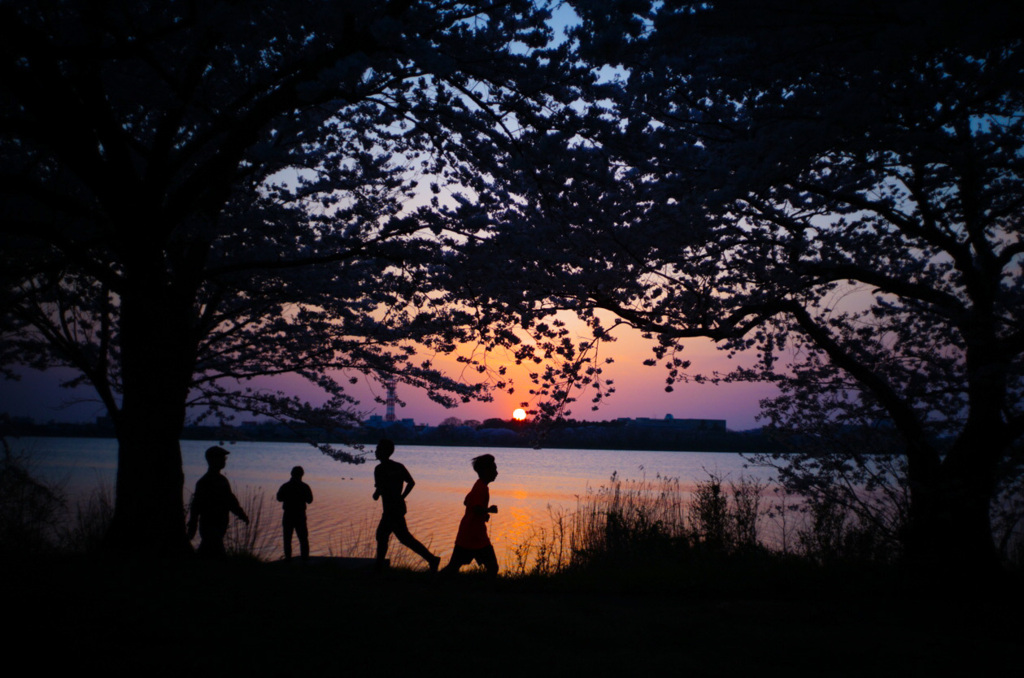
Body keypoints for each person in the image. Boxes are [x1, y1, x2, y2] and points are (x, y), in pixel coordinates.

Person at [372, 439, 440, 572]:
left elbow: (379, 490)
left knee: (384, 535)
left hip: (391, 509)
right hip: (398, 507)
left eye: (378, 449)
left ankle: (379, 566)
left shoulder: (379, 469)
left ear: (385, 452)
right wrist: (402, 497)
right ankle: (432, 559)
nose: (376, 452)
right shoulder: (399, 466)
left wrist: (376, 494)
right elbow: (411, 482)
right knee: (401, 537)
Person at [187, 445, 249, 558]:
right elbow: (196, 506)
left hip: (221, 523)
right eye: (221, 458)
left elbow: (231, 500)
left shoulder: (222, 480)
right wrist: (193, 524)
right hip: (210, 523)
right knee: (215, 550)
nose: (224, 461)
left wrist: (241, 514)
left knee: (208, 551)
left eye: (224, 458)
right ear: (212, 460)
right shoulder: (205, 482)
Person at [443, 454, 499, 576]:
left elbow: (467, 501)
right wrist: (489, 510)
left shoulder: (478, 485)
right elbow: (476, 508)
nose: (496, 473)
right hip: (473, 535)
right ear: (485, 471)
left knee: (453, 567)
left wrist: (484, 514)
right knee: (492, 567)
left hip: (469, 533)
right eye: (494, 469)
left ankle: (435, 583)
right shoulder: (481, 488)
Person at [277, 465, 313, 561]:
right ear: (302, 475)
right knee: (303, 539)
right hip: (300, 515)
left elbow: (279, 498)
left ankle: (288, 560)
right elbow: (310, 500)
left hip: (288, 515)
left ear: (291, 474)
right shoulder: (304, 487)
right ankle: (304, 561)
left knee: (287, 539)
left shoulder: (285, 486)